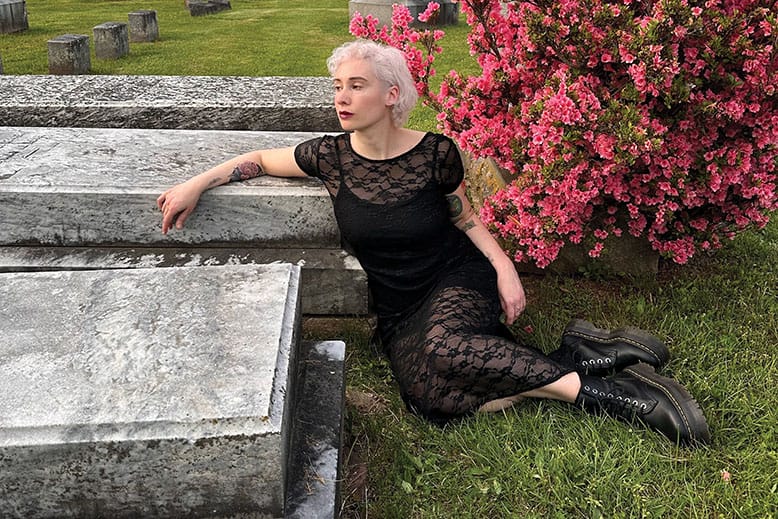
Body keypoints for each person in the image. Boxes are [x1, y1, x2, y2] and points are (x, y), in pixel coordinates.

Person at [157, 40, 710, 446]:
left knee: (448, 351)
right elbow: (252, 162)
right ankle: (580, 355)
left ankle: (619, 398)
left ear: (392, 94)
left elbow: (463, 216)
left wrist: (503, 268)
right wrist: (197, 182)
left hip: (456, 279)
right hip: (398, 307)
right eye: (337, 86)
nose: (341, 97)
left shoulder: (435, 153)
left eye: (357, 85)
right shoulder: (328, 157)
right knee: (432, 400)